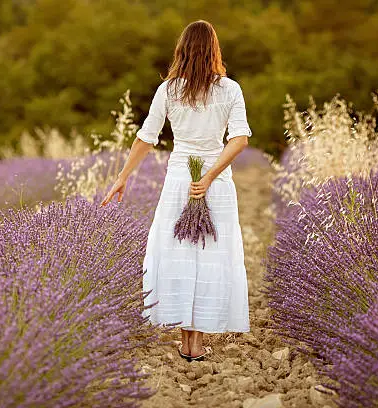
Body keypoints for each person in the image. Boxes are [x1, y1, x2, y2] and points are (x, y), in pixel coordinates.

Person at [100, 19, 251, 361]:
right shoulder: (230, 89)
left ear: (181, 50)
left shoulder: (168, 90)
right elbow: (239, 140)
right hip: (216, 181)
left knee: (180, 254)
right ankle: (196, 343)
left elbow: (146, 137)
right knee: (210, 254)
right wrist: (211, 175)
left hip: (180, 179)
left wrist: (122, 177)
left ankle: (186, 342)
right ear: (215, 50)